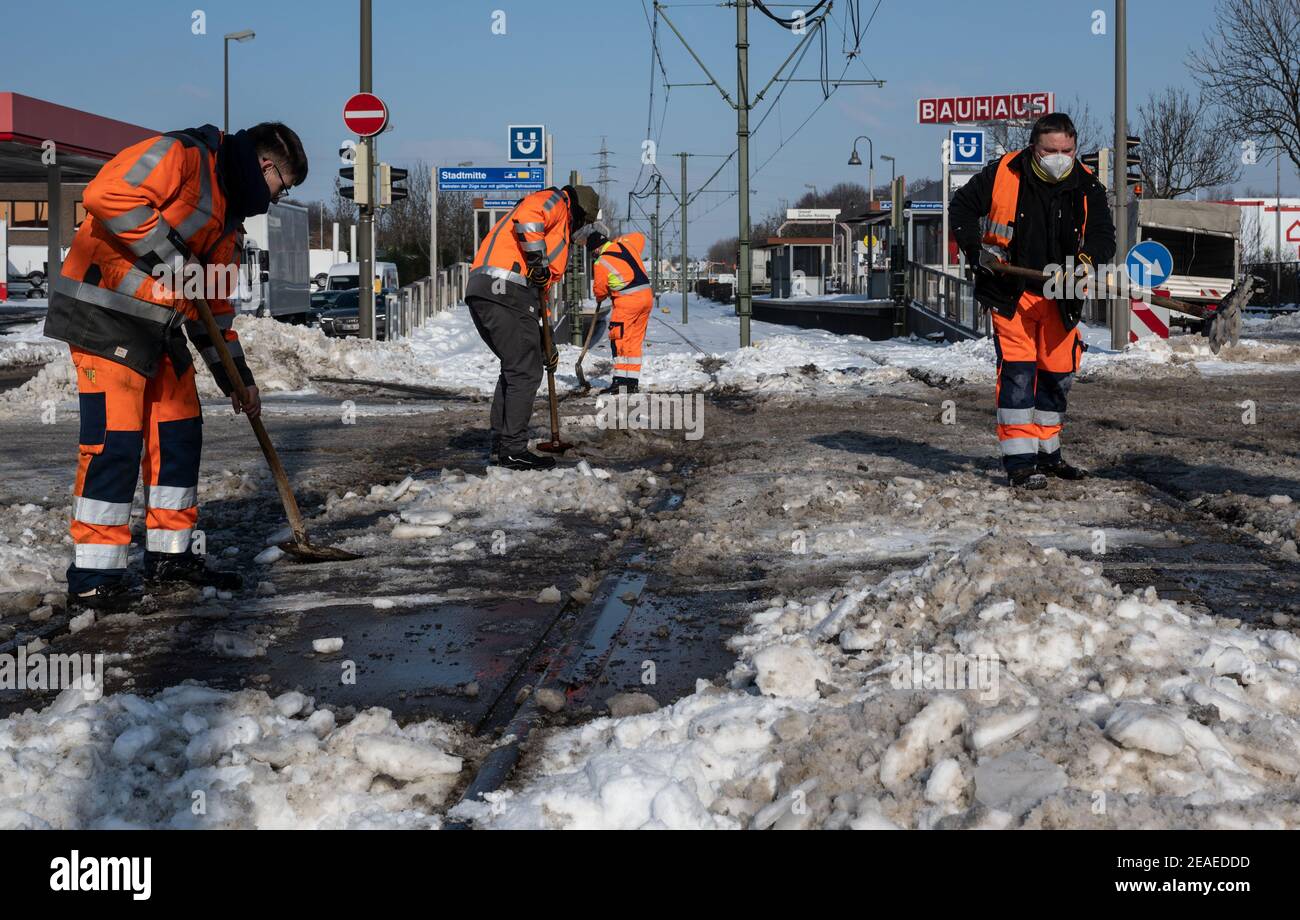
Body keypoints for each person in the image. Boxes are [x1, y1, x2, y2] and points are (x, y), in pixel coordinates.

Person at [44, 122, 308, 610]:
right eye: (281, 187)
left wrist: (238, 380)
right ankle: (94, 578)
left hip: (160, 329)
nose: (275, 199)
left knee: (180, 433)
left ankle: (170, 555)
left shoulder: (228, 222)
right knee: (115, 443)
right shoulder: (182, 156)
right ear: (265, 166)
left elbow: (215, 313)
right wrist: (171, 254)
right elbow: (107, 194)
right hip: (104, 316)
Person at [950, 112, 1115, 490]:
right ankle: (1021, 464)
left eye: (1067, 150)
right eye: (1050, 150)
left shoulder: (1087, 186)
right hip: (1011, 290)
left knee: (1057, 376)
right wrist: (976, 251)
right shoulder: (1003, 173)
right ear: (1034, 147)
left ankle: (1048, 454)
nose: (1060, 156)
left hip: (1062, 294)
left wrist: (1085, 261)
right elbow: (961, 210)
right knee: (1019, 375)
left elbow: (1105, 237)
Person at [464, 184, 600, 469]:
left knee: (516, 367)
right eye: (584, 225)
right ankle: (512, 449)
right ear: (579, 212)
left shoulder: (557, 229)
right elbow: (527, 218)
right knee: (524, 371)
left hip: (491, 289)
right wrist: (537, 260)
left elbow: (540, 292)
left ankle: (502, 444)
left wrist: (544, 339)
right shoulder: (556, 202)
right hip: (505, 287)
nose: (581, 233)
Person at [586, 230, 654, 394]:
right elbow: (639, 236)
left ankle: (620, 382)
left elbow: (600, 291)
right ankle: (631, 383)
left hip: (628, 302)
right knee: (634, 342)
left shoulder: (601, 261)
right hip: (646, 298)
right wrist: (615, 241)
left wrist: (602, 296)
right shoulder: (627, 245)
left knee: (620, 341)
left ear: (595, 250)